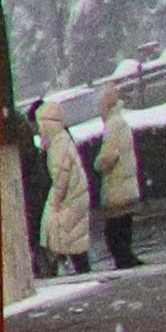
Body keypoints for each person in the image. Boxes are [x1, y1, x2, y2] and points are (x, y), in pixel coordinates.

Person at [38, 91, 99, 277]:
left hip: (70, 198)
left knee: (60, 235)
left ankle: (63, 270)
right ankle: (82, 270)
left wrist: (53, 202)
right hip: (76, 195)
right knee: (73, 238)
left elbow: (60, 177)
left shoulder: (57, 145)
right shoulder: (63, 139)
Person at [96, 83, 152, 269]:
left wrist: (98, 165)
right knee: (124, 224)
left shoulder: (113, 125)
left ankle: (124, 260)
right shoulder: (121, 122)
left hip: (116, 183)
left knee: (115, 228)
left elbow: (108, 156)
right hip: (125, 181)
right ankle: (127, 258)